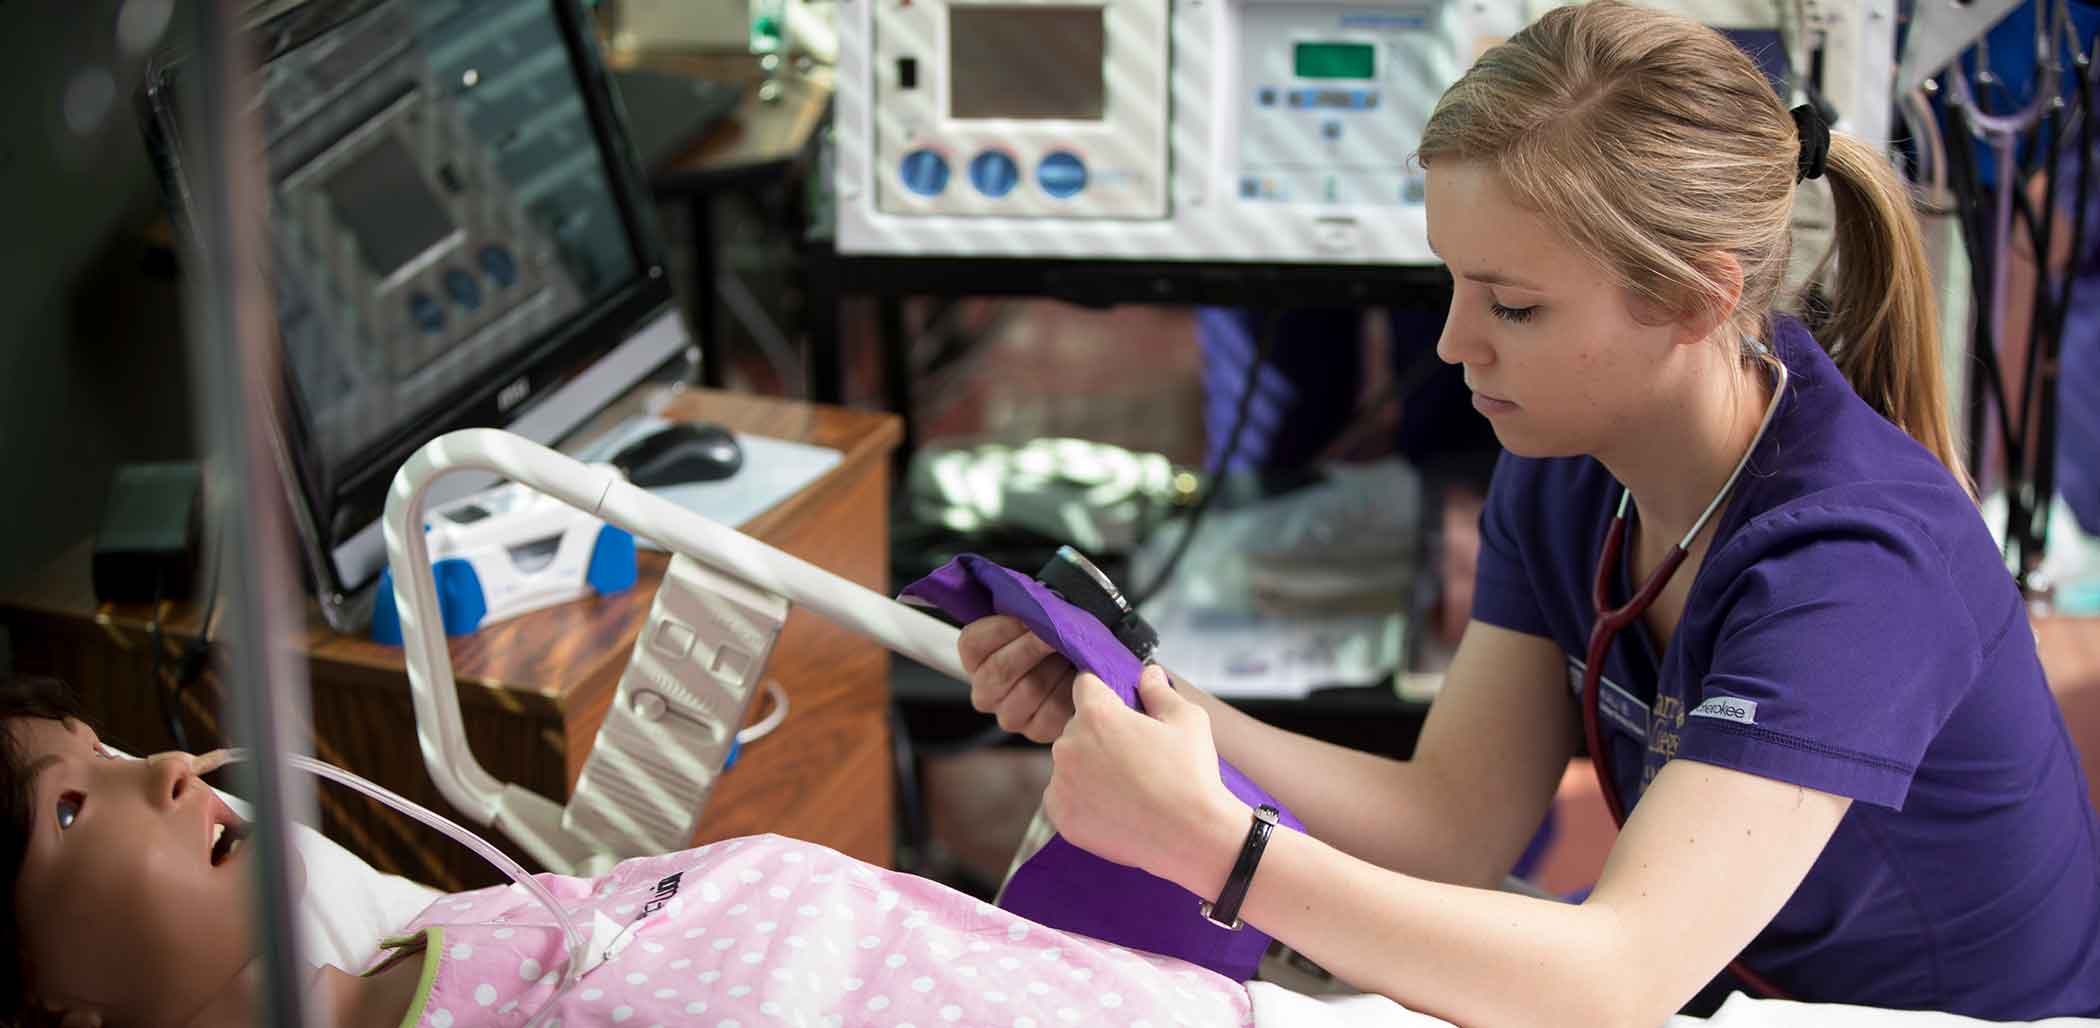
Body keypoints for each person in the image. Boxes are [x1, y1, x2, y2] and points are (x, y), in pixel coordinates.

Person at [959, 3, 2100, 1024]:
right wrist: (1143, 699)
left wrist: (1216, 844)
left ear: (1699, 295)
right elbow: (1454, 822)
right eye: (1450, 281)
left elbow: (1611, 982)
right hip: (1720, 983)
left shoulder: (1856, 564)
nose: (1456, 344)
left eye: (1513, 304)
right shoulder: (1570, 460)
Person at [0, 673, 1256, 1027]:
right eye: (71, 805)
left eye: (115, 743)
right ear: (43, 994)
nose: (166, 765)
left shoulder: (410, 942)